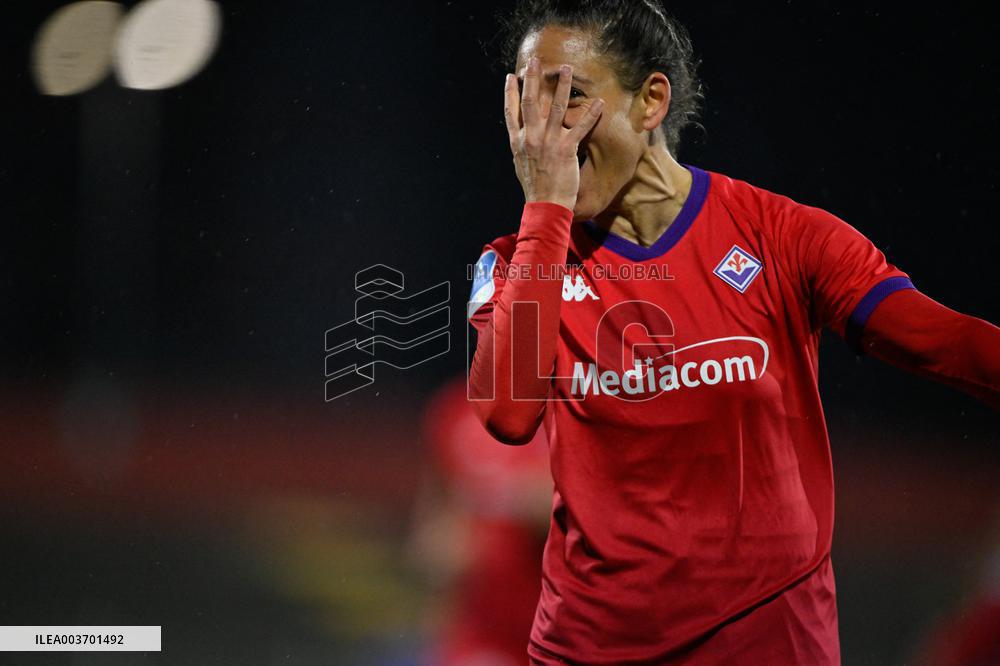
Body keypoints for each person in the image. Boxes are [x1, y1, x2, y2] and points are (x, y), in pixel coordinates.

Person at [465, 1, 1000, 664]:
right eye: (527, 106)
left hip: (767, 646)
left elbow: (950, 345)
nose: (543, 138)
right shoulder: (517, 263)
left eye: (568, 98)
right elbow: (507, 414)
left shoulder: (782, 237)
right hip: (588, 651)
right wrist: (545, 210)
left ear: (650, 101)